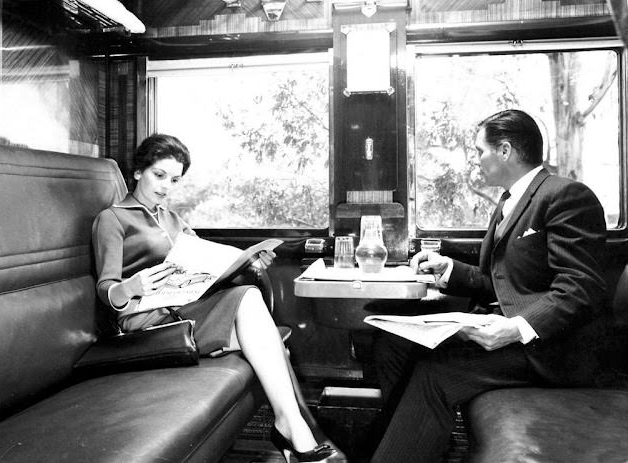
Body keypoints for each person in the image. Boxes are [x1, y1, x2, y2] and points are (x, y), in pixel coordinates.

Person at [371, 109, 608, 463]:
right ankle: (396, 447)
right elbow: (500, 283)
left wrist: (515, 329)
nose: (476, 160)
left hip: (552, 349)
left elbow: (580, 287)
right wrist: (449, 269)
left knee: (433, 373)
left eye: (479, 151)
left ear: (505, 151)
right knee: (391, 345)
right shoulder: (508, 202)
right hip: (507, 330)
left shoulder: (565, 196)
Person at [92, 134, 336, 463]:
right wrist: (132, 285)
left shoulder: (173, 220)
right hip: (143, 322)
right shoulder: (113, 219)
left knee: (261, 327)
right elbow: (107, 290)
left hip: (182, 308)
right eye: (159, 175)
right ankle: (294, 430)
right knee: (261, 329)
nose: (166, 187)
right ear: (138, 172)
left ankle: (291, 426)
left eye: (175, 180)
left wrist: (246, 263)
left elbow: (206, 263)